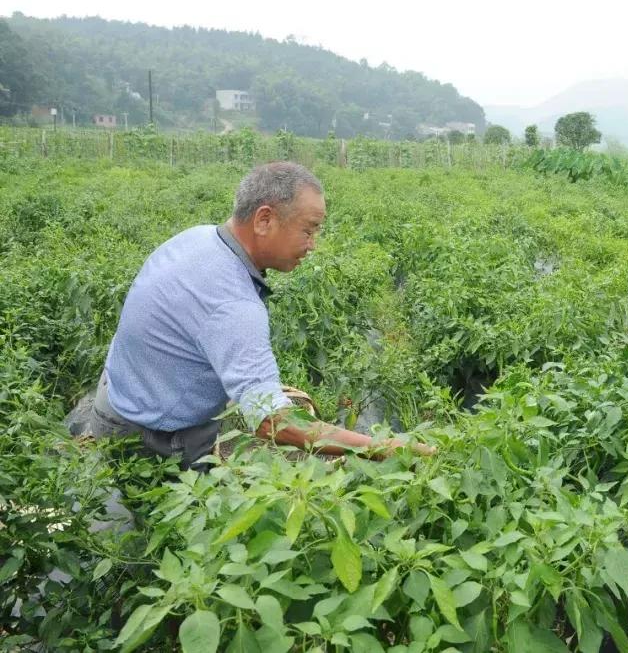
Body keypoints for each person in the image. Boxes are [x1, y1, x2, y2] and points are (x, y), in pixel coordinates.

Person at [67, 161, 434, 471]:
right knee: (179, 538)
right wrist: (388, 448)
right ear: (263, 220)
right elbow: (272, 421)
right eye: (308, 230)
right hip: (149, 435)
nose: (312, 245)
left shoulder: (199, 238)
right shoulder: (231, 305)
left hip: (121, 395)